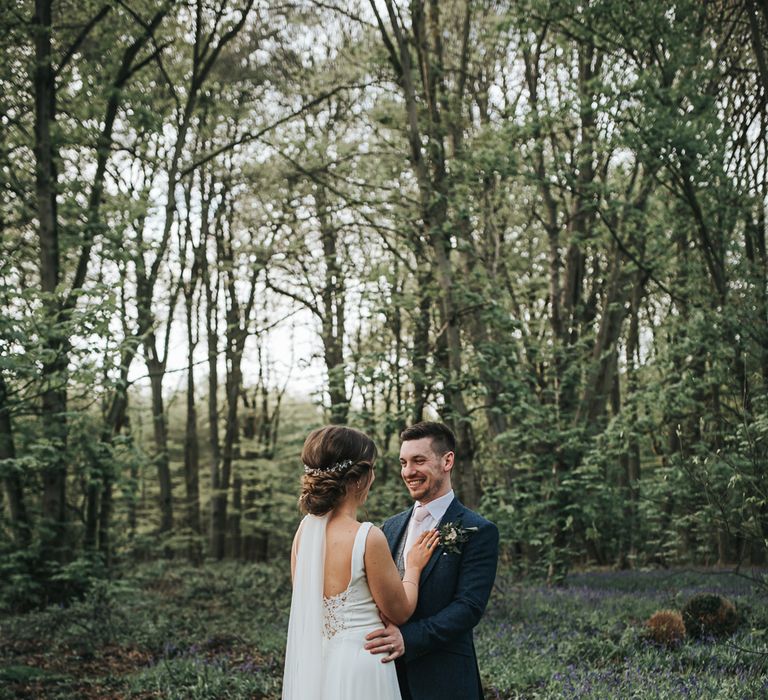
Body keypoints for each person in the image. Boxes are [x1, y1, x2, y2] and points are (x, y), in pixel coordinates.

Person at [282, 425, 439, 700]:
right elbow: (399, 612)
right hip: (363, 664)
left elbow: (307, 602)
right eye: (372, 469)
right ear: (359, 479)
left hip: (319, 665)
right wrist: (412, 567)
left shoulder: (304, 532)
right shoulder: (367, 537)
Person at [364, 421, 499, 700]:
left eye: (419, 460)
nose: (408, 472)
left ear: (447, 460)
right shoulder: (388, 528)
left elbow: (469, 608)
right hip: (385, 678)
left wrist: (408, 638)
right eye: (403, 462)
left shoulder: (479, 530)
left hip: (445, 680)